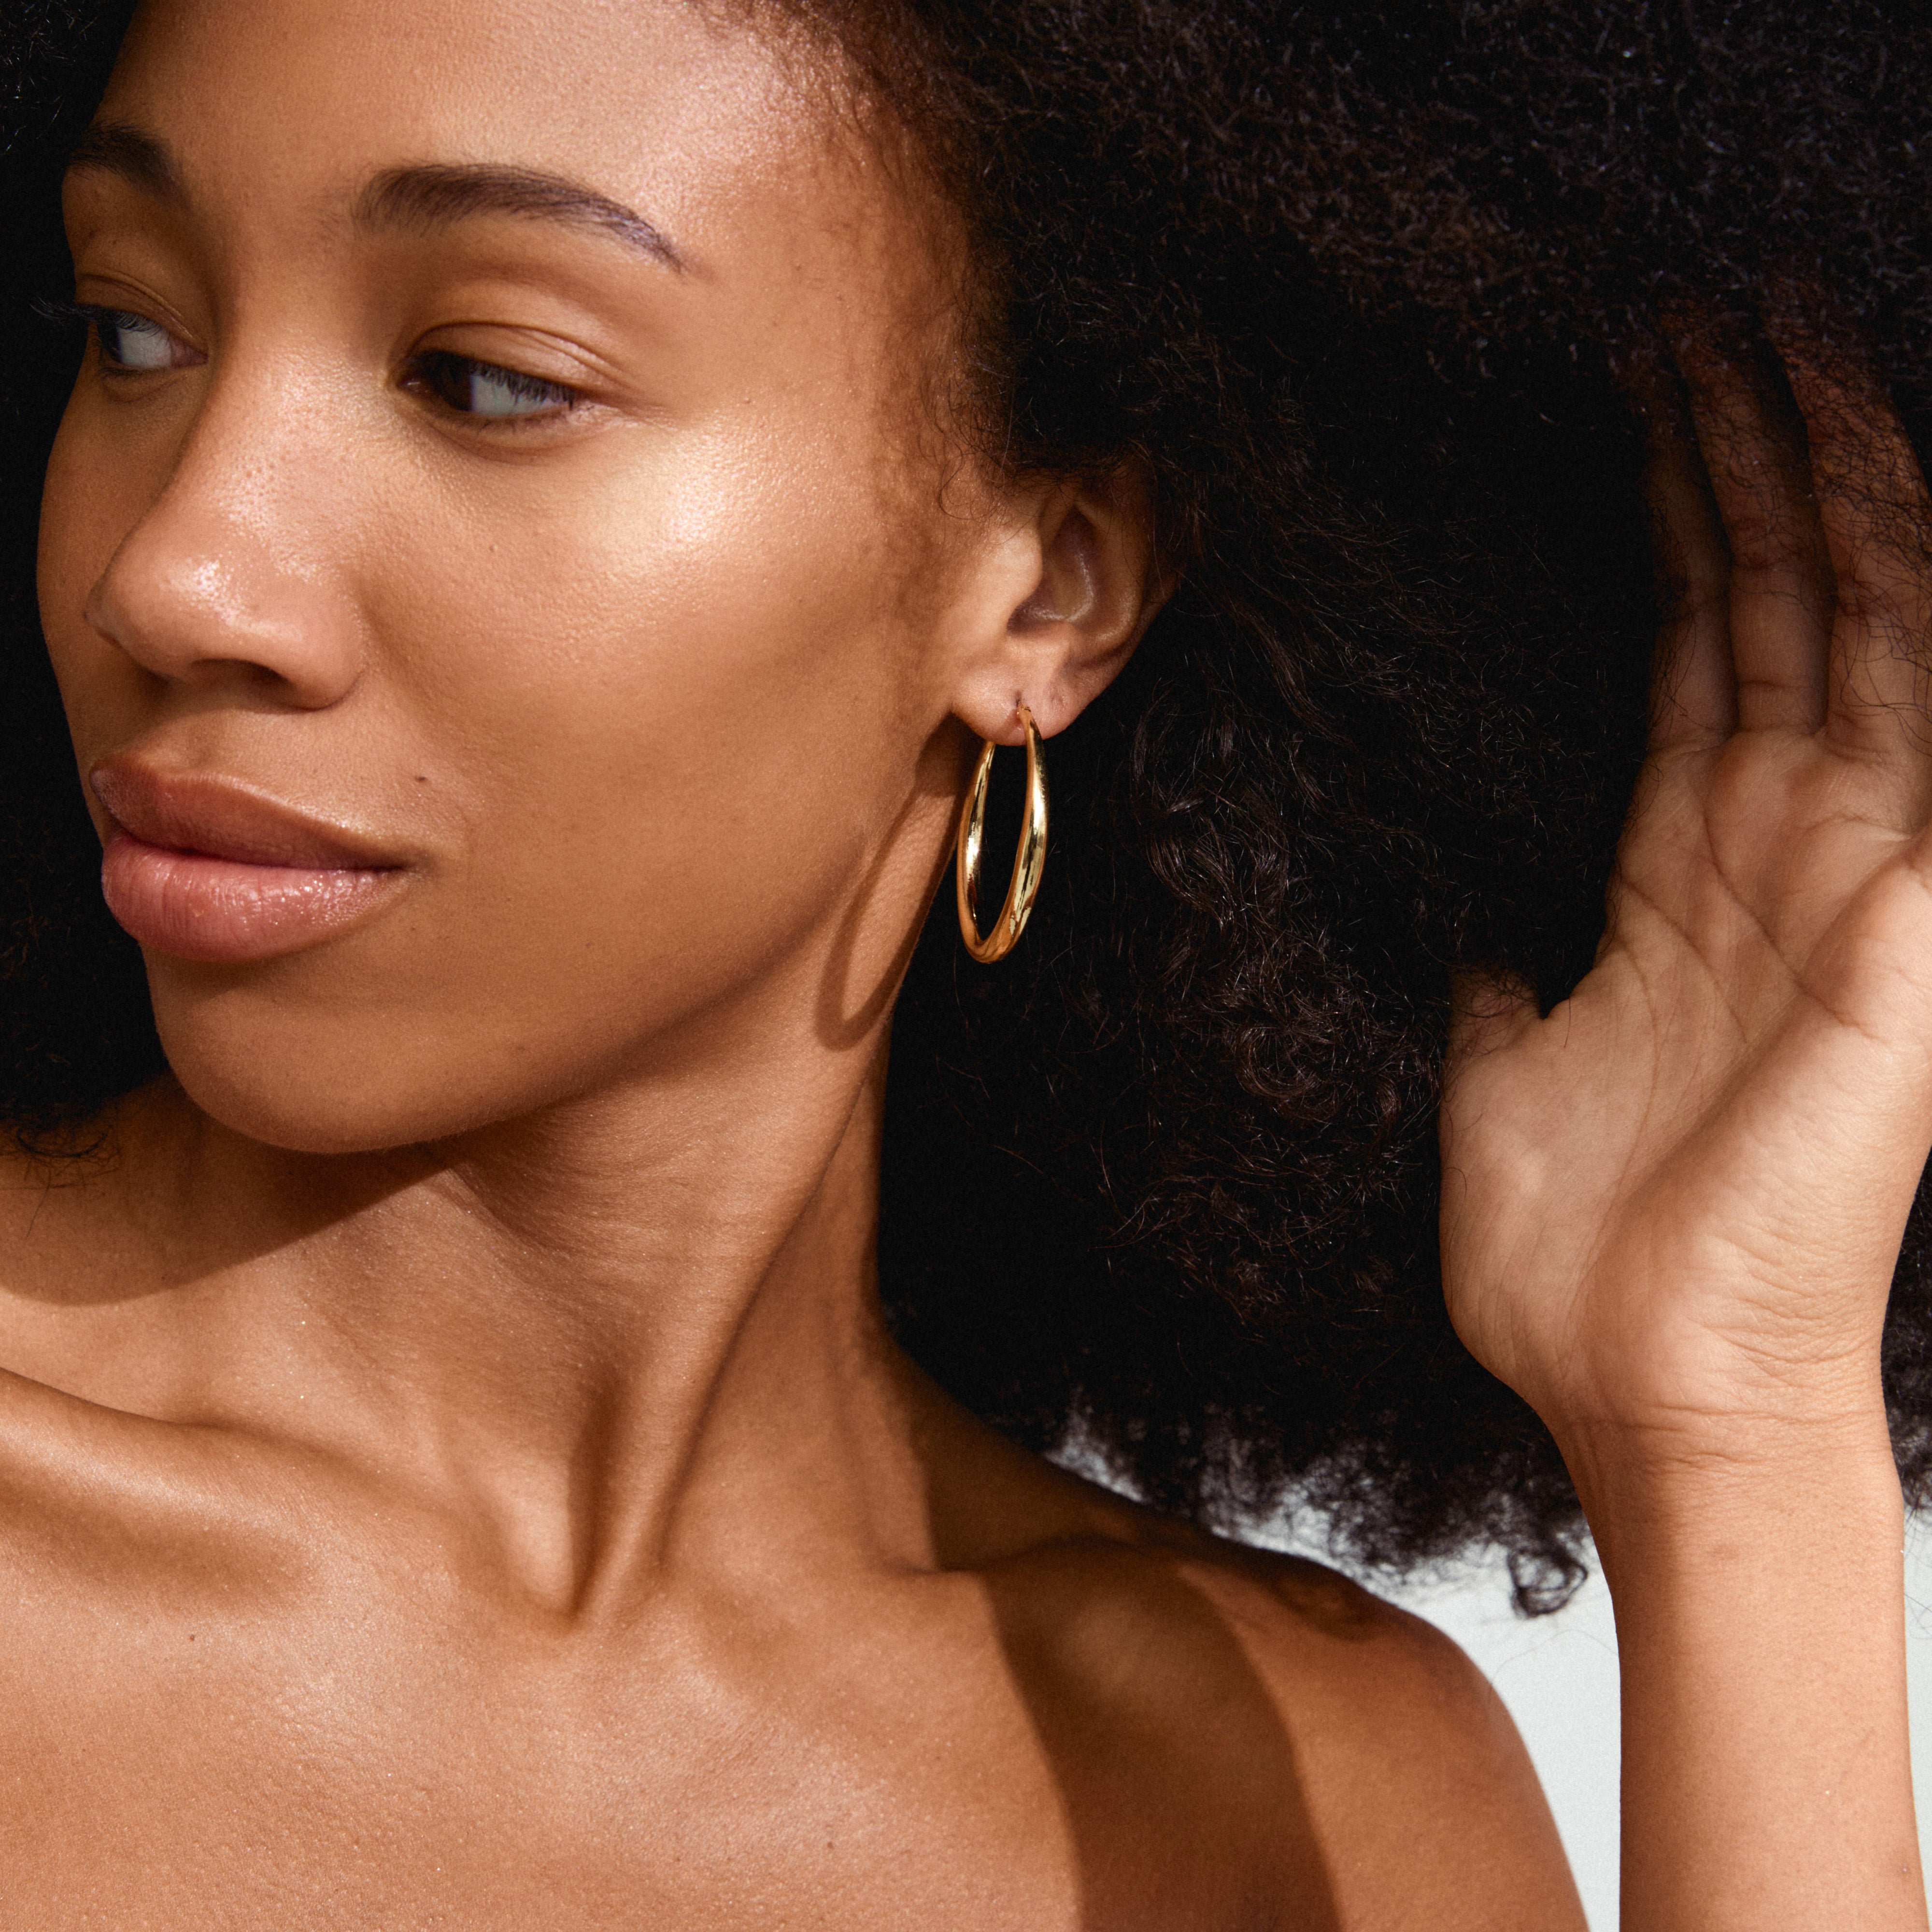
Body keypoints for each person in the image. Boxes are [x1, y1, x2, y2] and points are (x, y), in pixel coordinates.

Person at [1, 0, 1928, 1923]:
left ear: (1052, 583)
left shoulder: (1294, 1807)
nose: (171, 572)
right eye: (133, 330)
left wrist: (1731, 1432)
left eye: (489, 378)